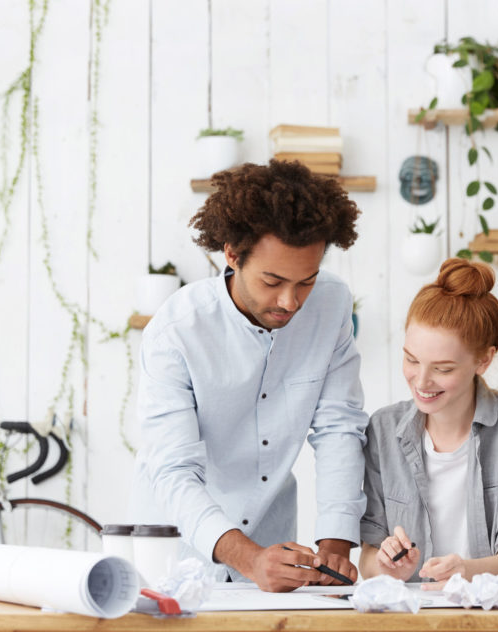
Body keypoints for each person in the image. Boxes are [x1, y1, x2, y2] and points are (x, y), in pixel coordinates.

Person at [131, 160, 368, 592]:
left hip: (274, 545)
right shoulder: (176, 331)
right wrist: (249, 557)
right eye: (273, 281)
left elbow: (339, 427)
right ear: (232, 254)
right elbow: (174, 470)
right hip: (178, 552)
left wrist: (335, 549)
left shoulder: (331, 305)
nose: (291, 301)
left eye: (306, 282)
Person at [359, 258, 498, 585]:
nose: (421, 380)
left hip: (490, 615)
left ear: (484, 359)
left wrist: (466, 570)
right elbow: (367, 556)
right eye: (411, 359)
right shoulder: (383, 429)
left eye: (443, 369)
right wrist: (389, 568)